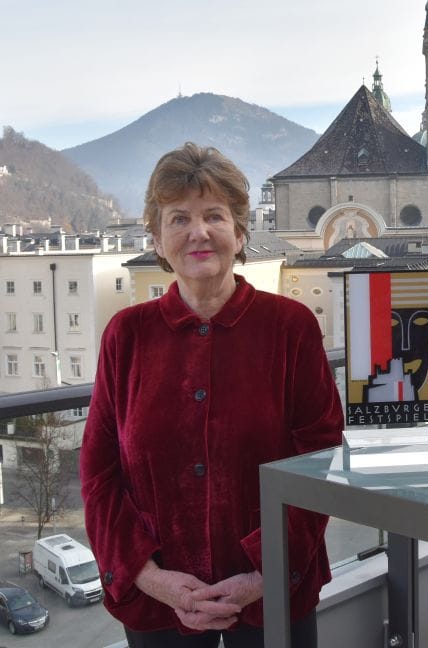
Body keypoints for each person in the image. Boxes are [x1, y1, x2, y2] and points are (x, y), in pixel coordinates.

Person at [80, 142, 344, 648]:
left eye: (214, 216)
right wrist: (151, 577)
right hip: (159, 603)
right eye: (178, 218)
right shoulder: (126, 335)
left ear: (240, 232)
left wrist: (262, 575)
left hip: (273, 599)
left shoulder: (289, 327)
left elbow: (320, 460)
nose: (197, 232)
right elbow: (99, 472)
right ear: (157, 239)